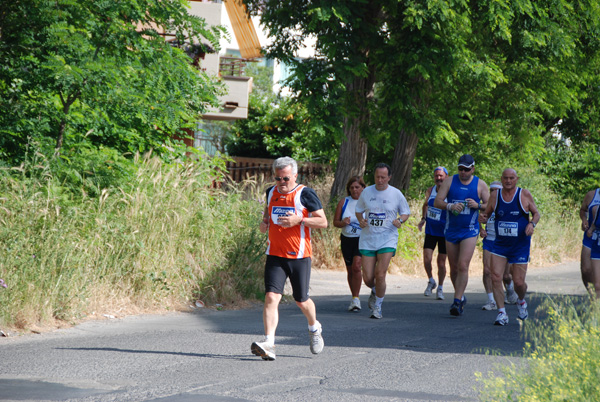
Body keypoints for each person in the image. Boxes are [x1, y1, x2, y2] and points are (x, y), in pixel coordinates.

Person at [251, 157, 328, 361]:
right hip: (275, 254)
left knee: (301, 301)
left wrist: (300, 219)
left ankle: (314, 328)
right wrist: (264, 224)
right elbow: (267, 216)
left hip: (299, 256)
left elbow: (323, 222)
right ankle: (269, 343)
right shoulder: (270, 192)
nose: (282, 182)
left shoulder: (305, 193)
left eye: (286, 178)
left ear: (295, 175)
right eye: (278, 178)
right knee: (271, 297)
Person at [480, 168, 540, 326]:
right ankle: (502, 313)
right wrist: (482, 220)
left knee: (519, 283)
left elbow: (536, 213)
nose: (508, 181)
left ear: (516, 179)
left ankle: (521, 301)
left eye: (511, 178)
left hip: (520, 245)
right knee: (496, 277)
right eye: (505, 178)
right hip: (500, 245)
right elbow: (486, 215)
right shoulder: (495, 196)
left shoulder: (524, 194)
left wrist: (532, 224)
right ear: (501, 179)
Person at [434, 154, 489, 316]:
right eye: (460, 169)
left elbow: (490, 205)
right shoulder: (450, 181)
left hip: (470, 230)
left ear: (473, 168)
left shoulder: (480, 184)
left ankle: (456, 301)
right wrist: (450, 206)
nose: (463, 172)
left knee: (463, 265)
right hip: (451, 230)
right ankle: (461, 296)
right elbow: (437, 201)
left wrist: (477, 205)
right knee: (454, 268)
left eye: (466, 169)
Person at [355, 163, 410, 319]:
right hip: (368, 238)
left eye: (383, 177)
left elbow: (406, 212)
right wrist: (361, 220)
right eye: (377, 177)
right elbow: (358, 210)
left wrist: (400, 221)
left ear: (389, 177)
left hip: (388, 237)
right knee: (367, 278)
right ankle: (374, 290)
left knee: (380, 274)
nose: (379, 180)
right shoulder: (366, 192)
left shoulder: (396, 194)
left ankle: (378, 307)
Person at [480, 181, 518, 310]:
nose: (494, 192)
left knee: (505, 275)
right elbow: (477, 217)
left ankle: (510, 289)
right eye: (492, 190)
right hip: (489, 240)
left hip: (503, 242)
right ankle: (491, 300)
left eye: (497, 190)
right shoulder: (487, 205)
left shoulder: (507, 205)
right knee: (487, 271)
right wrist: (481, 229)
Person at [333, 176, 367, 311]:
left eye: (357, 187)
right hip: (347, 239)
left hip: (362, 239)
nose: (354, 190)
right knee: (350, 270)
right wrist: (343, 223)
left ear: (363, 188)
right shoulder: (344, 202)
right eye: (352, 187)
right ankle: (354, 298)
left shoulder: (367, 203)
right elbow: (335, 222)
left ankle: (357, 299)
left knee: (357, 266)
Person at [417, 166, 448, 300]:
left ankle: (440, 287)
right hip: (431, 230)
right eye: (436, 176)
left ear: (446, 177)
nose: (438, 178)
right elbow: (425, 204)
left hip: (445, 232)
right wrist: (423, 218)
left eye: (441, 176)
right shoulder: (430, 190)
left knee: (441, 262)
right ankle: (431, 280)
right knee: (427, 258)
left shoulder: (450, 192)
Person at [579, 188, 600, 292]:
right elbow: (583, 210)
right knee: (586, 269)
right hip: (591, 236)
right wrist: (584, 220)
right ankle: (593, 299)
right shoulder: (591, 195)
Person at [585, 204, 600, 297]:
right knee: (597, 285)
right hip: (597, 247)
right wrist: (590, 230)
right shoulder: (597, 208)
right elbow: (594, 225)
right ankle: (597, 310)